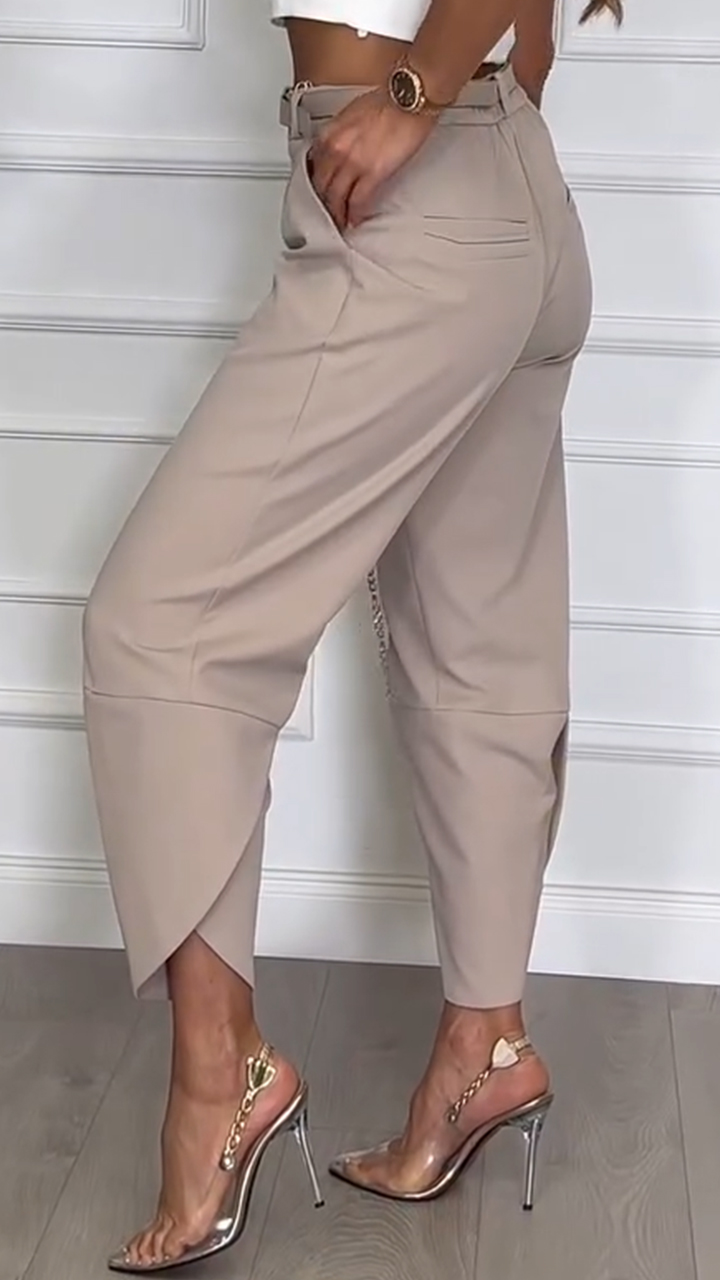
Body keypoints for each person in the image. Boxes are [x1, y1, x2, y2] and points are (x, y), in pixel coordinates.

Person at [82, 0, 621, 1270]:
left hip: (418, 194)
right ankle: (485, 1044)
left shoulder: (414, 120)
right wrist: (468, 113)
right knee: (479, 639)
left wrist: (419, 94)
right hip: (507, 197)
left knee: (161, 627)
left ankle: (221, 1074)